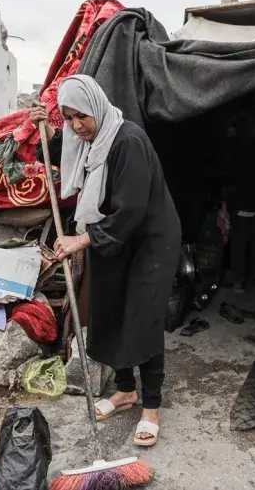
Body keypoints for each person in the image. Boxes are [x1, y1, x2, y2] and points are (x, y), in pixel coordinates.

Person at [29, 75, 181, 447]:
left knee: (142, 318)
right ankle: (125, 390)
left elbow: (132, 209)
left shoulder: (127, 140)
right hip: (111, 236)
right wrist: (47, 131)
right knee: (110, 311)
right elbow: (63, 153)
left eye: (81, 115)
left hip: (148, 240)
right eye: (69, 118)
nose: (77, 125)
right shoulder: (89, 140)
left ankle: (151, 406)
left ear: (96, 106)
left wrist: (82, 239)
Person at [226, 110, 255, 292]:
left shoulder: (235, 148)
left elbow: (228, 173)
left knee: (239, 242)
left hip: (242, 203)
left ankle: (238, 281)